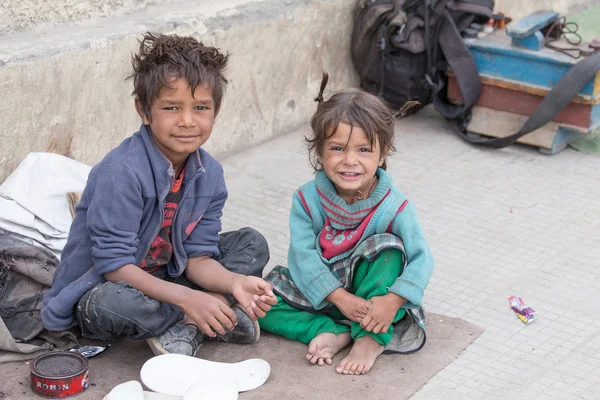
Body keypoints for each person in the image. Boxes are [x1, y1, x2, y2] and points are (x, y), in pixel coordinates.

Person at [41, 32, 277, 357]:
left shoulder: (210, 174)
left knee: (252, 243)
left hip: (171, 274)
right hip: (115, 283)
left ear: (216, 110)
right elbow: (114, 265)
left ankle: (204, 313)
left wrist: (233, 282)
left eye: (200, 107)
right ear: (144, 110)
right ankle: (200, 317)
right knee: (105, 305)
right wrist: (188, 300)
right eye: (171, 107)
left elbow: (197, 257)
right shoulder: (121, 172)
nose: (187, 121)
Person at [259, 79, 434, 375]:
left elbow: (422, 258)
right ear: (319, 152)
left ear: (383, 153)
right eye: (337, 148)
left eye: (364, 150)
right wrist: (340, 298)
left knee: (388, 250)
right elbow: (303, 256)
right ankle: (331, 330)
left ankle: (369, 338)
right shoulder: (307, 199)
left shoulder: (395, 206)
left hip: (374, 305)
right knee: (259, 303)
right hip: (323, 295)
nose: (349, 161)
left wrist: (392, 302)